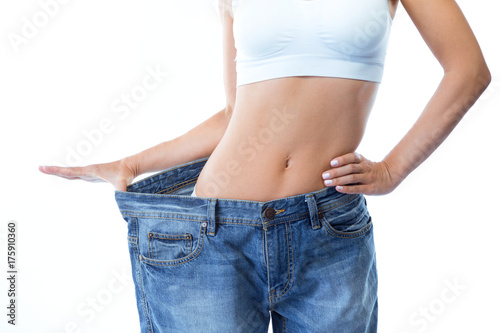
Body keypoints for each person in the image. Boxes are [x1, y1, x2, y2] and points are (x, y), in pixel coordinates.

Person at [39, 0, 491, 332]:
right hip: (211, 235)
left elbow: (469, 70)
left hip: (327, 231)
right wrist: (131, 163)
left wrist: (393, 170)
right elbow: (236, 113)